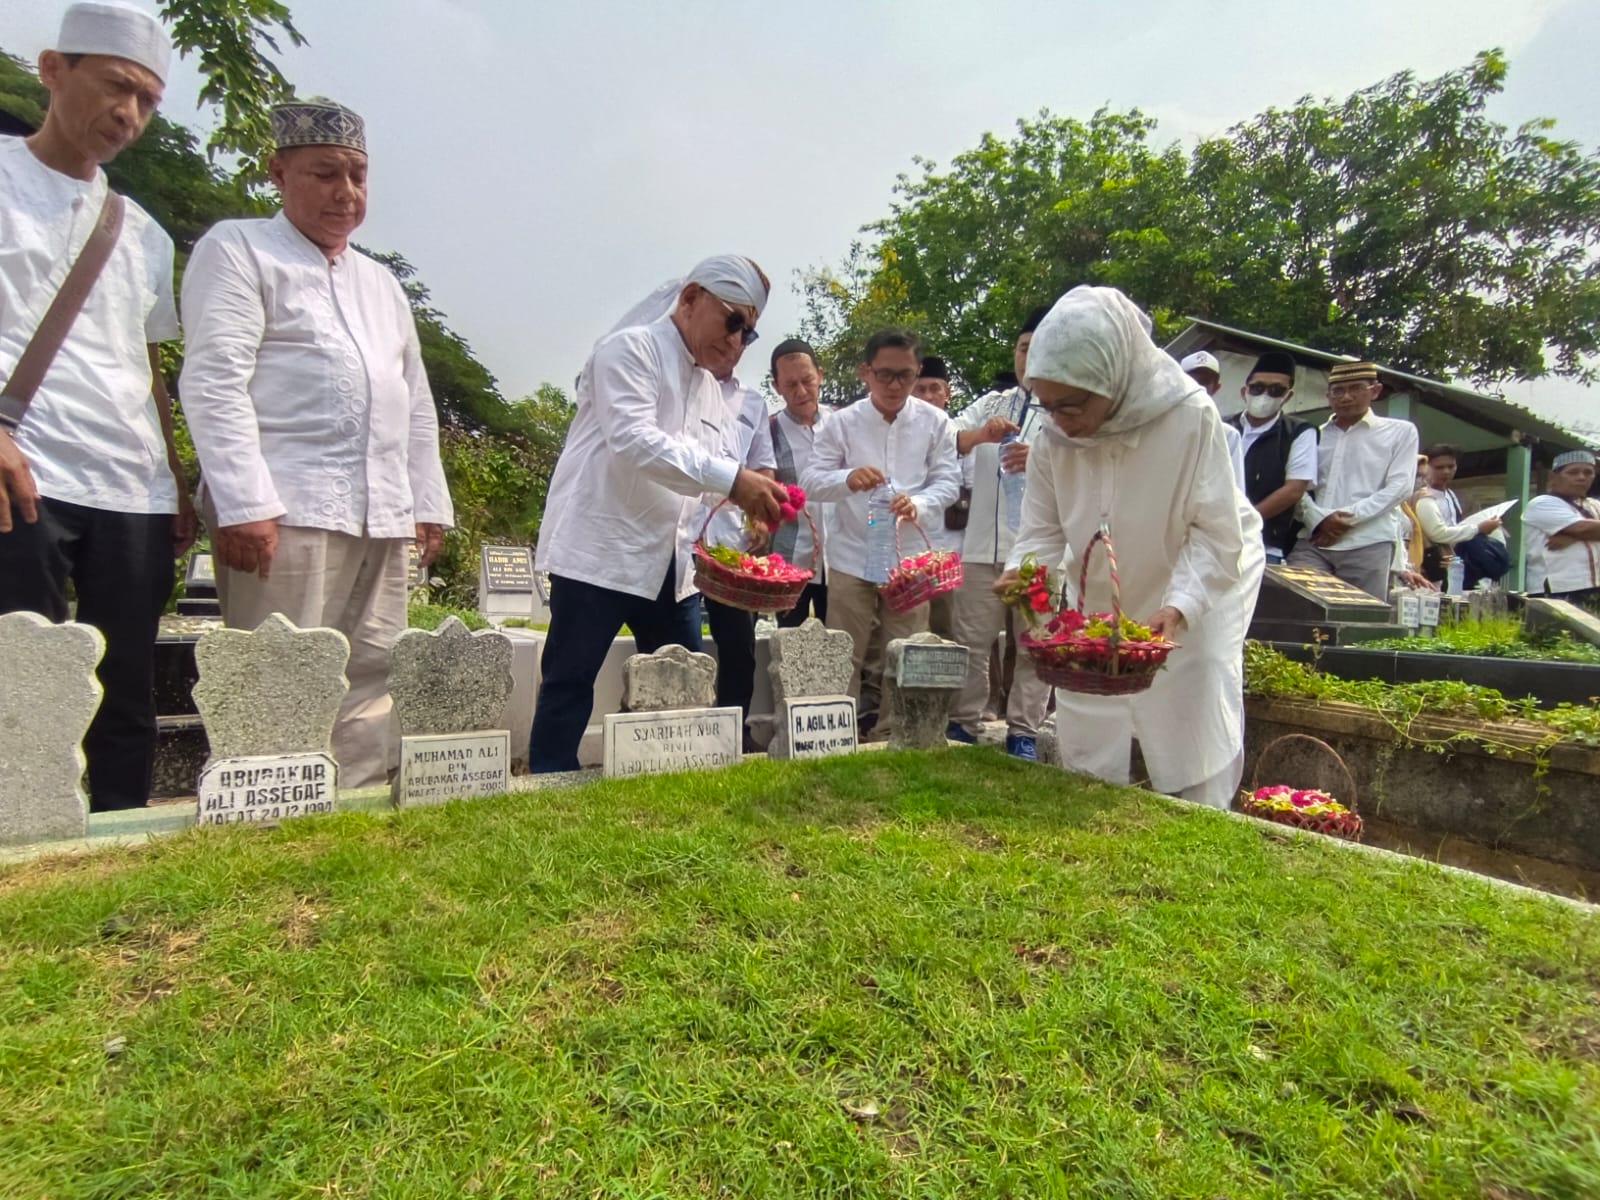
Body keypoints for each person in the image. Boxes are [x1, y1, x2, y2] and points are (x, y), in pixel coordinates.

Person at [179, 98, 454, 787]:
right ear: (277, 170)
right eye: (326, 173)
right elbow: (214, 379)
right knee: (278, 673)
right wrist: (242, 501)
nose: (346, 193)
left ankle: (349, 810)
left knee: (372, 668)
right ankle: (259, 817)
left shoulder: (381, 283)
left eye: (358, 176)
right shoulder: (239, 249)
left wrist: (428, 500)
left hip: (381, 512)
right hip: (285, 509)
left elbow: (413, 400)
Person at [0, 3, 192, 812]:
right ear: (54, 69)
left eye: (147, 100)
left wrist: (176, 475)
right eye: (117, 87)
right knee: (23, 676)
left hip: (130, 486)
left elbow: (147, 361)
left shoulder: (142, 232)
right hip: (25, 465)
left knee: (126, 688)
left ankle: (120, 838)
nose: (129, 114)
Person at [999, 286, 1264, 808]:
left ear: (1112, 379)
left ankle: (1202, 812)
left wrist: (1180, 604)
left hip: (1205, 572)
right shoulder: (1054, 437)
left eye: (1071, 405)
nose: (1057, 419)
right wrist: (1026, 573)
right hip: (1106, 581)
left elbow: (1215, 531)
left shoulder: (1189, 416)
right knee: (1091, 686)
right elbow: (1044, 530)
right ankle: (1091, 798)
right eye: (1047, 406)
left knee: (1196, 681)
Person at [529, 257, 787, 773]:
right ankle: (550, 785)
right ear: (690, 299)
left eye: (749, 334)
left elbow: (701, 481)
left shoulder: (715, 390)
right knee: (570, 681)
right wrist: (735, 481)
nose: (737, 340)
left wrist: (745, 511)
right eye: (732, 321)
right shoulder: (629, 350)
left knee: (683, 688)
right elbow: (635, 443)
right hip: (600, 552)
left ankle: (668, 786)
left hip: (675, 566)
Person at [802, 330, 960, 719]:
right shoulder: (841, 423)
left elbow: (949, 482)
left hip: (909, 560)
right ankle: (836, 727)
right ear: (865, 373)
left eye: (905, 375)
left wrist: (919, 503)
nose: (894, 385)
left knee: (905, 649)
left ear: (917, 371)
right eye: (884, 374)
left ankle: (895, 730)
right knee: (844, 649)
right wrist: (847, 478)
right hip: (852, 554)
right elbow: (809, 480)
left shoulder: (936, 422)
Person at [946, 307, 1053, 759]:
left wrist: (1041, 456)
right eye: (1022, 348)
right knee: (971, 641)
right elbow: (947, 435)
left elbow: (1090, 466)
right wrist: (980, 434)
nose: (1027, 357)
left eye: (1037, 349)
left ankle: (1023, 730)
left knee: (1034, 646)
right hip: (980, 549)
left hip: (1038, 553)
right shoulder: (993, 403)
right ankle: (964, 722)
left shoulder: (1064, 411)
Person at [1288, 361, 1418, 598]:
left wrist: (1345, 519)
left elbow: (1400, 487)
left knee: (1361, 620)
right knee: (1302, 612)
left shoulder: (1400, 432)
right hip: (1314, 540)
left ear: (1375, 390)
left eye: (1356, 388)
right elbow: (1297, 485)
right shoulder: (1313, 434)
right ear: (1328, 395)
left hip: (1368, 541)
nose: (1346, 397)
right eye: (1338, 391)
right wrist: (1319, 519)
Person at [699, 374, 776, 750]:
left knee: (739, 644)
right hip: (675, 540)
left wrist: (759, 517)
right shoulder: (679, 383)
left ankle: (733, 732)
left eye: (744, 335)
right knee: (673, 640)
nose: (733, 343)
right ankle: (670, 735)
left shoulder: (752, 401)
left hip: (729, 541)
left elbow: (762, 464)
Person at [1223, 350, 1319, 563]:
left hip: (1262, 543)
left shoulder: (1299, 432)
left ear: (1288, 396)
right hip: (1211, 537)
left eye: (1276, 390)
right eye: (1257, 388)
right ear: (1244, 391)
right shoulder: (1223, 426)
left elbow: (1293, 490)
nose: (1264, 395)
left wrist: (1243, 522)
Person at [768, 339, 830, 626]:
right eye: (791, 385)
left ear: (820, 374)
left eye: (807, 380)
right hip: (791, 561)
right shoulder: (769, 430)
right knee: (789, 646)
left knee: (845, 647)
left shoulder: (843, 422)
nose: (802, 392)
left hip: (842, 561)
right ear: (776, 386)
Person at [911, 355, 967, 640]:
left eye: (935, 388)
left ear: (947, 393)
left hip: (949, 556)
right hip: (908, 556)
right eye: (920, 389)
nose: (928, 396)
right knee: (908, 637)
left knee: (947, 634)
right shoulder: (899, 435)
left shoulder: (960, 433)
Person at [1414, 443, 1509, 589]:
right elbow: (1437, 533)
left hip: (1451, 562)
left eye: (1451, 467)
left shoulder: (1451, 495)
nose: (1446, 472)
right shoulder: (1423, 496)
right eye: (1439, 467)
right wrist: (1478, 528)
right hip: (1429, 565)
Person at [1523, 449, 1600, 606]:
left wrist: (1572, 535)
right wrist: (1581, 532)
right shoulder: (1542, 503)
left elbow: (1582, 529)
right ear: (1553, 477)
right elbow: (1582, 528)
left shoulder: (1594, 505)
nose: (1581, 477)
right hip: (1556, 589)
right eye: (1573, 472)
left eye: (1588, 473)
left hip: (1594, 587)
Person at [1180, 350, 1246, 491]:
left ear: (1216, 387)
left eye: (1205, 382)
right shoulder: (1161, 427)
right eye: (1191, 380)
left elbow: (1235, 491)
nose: (1198, 387)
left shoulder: (1227, 436)